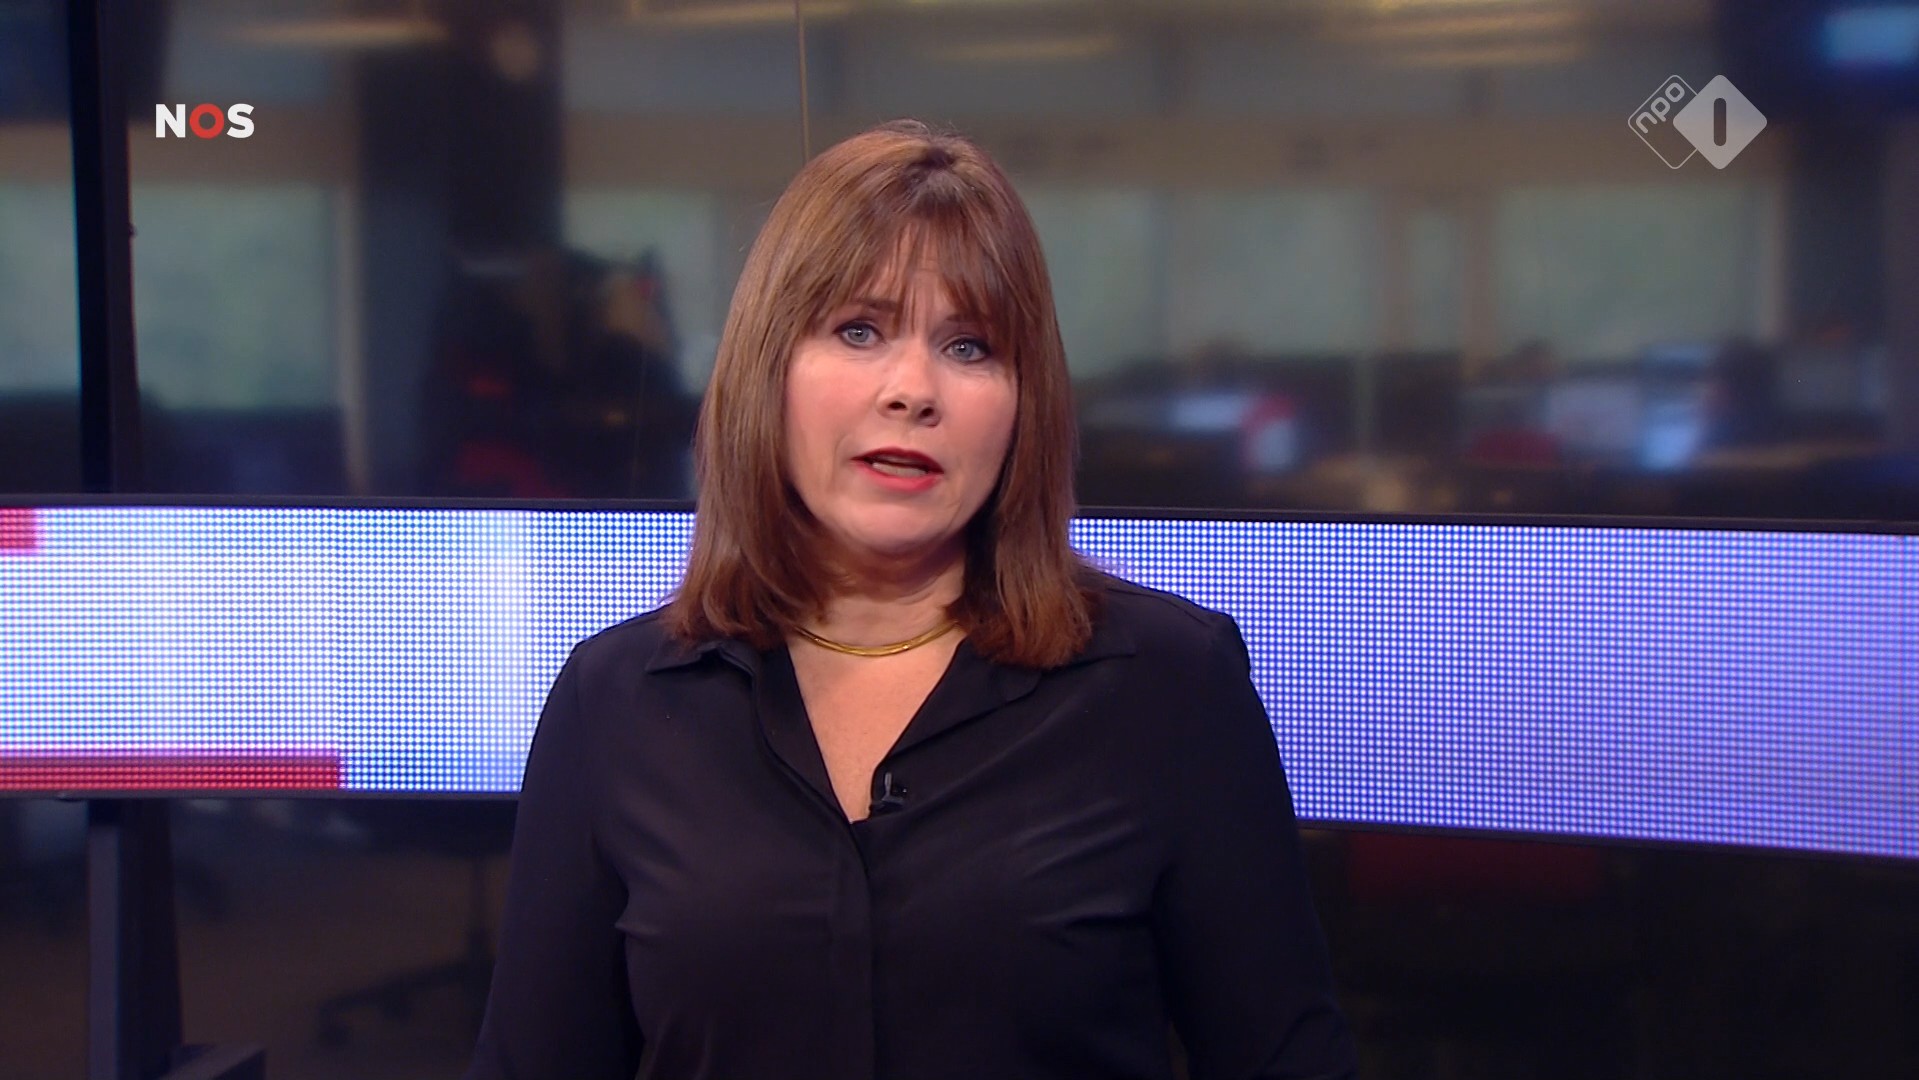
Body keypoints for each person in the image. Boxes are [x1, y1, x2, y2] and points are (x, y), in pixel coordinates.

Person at [464, 120, 1356, 1080]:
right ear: (768, 368)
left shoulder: (1170, 686)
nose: (913, 390)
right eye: (859, 330)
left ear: (1023, 401)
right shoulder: (617, 700)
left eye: (970, 347)